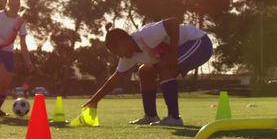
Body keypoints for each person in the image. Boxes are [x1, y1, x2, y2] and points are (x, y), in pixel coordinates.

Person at [84, 18, 213, 127]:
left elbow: (173, 23)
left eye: (117, 52)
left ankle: (174, 118)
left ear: (125, 42)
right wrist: (94, 100)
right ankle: (151, 116)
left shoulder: (145, 35)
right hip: (182, 49)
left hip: (200, 43)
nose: (118, 56)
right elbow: (116, 78)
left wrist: (173, 54)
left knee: (165, 66)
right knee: (145, 71)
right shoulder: (129, 56)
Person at [0, 0, 34, 116]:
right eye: (12, 4)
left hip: (9, 53)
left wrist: (28, 62)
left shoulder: (20, 22)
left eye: (17, 5)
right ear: (8, 4)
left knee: (7, 83)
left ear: (20, 6)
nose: (15, 7)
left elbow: (23, 44)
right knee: (3, 76)